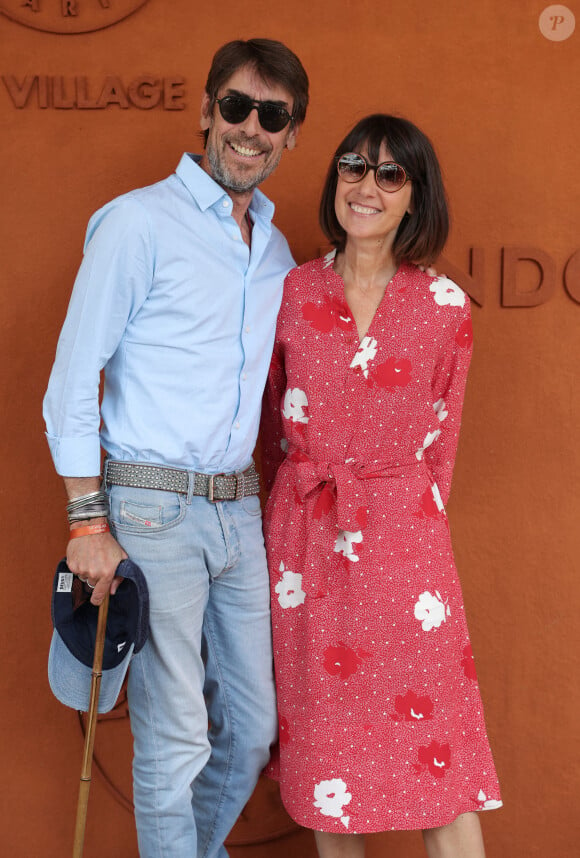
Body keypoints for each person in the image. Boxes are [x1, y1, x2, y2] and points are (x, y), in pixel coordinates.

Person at [43, 38, 309, 858]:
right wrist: (88, 522)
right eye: (236, 106)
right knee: (176, 738)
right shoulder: (136, 223)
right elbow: (70, 377)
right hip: (152, 510)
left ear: (290, 134)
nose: (250, 129)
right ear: (205, 112)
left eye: (273, 116)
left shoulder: (274, 250)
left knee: (255, 727)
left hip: (239, 512)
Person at [260, 114, 502, 858]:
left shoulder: (445, 309)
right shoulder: (289, 293)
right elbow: (267, 429)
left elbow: (443, 449)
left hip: (406, 551)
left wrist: (406, 539)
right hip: (303, 548)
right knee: (329, 758)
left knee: (440, 756)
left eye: (390, 174)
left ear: (414, 197)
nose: (367, 186)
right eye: (354, 167)